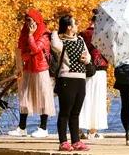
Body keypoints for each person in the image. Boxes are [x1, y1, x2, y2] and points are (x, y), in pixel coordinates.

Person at [9, 8, 54, 138]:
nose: (28, 23)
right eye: (26, 20)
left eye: (30, 20)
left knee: (43, 96)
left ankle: (43, 128)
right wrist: (26, 55)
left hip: (41, 69)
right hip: (27, 68)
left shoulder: (44, 34)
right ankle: (22, 127)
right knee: (25, 96)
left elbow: (35, 49)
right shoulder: (24, 32)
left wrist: (30, 36)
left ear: (36, 20)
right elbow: (21, 51)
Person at [51, 14, 92, 152]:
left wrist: (86, 59)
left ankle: (76, 141)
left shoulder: (80, 39)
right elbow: (54, 44)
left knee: (75, 112)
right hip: (66, 79)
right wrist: (56, 32)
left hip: (80, 79)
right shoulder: (60, 41)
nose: (77, 26)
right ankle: (63, 142)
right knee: (65, 112)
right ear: (69, 27)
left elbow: (88, 55)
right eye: (75, 24)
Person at [78, 9, 109, 140]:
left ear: (91, 20)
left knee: (84, 99)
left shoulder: (83, 34)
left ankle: (79, 129)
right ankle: (92, 131)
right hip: (100, 70)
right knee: (98, 99)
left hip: (87, 69)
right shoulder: (105, 35)